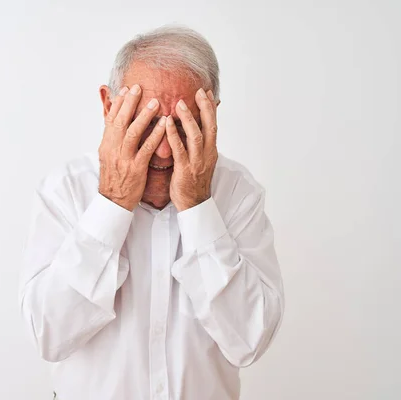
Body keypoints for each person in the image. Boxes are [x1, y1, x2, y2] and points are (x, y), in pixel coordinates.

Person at [19, 25, 284, 400]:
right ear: (109, 107)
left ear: (211, 116)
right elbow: (49, 336)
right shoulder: (65, 189)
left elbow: (250, 341)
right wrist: (112, 203)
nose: (162, 152)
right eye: (145, 125)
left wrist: (197, 205)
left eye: (182, 126)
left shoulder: (238, 192)